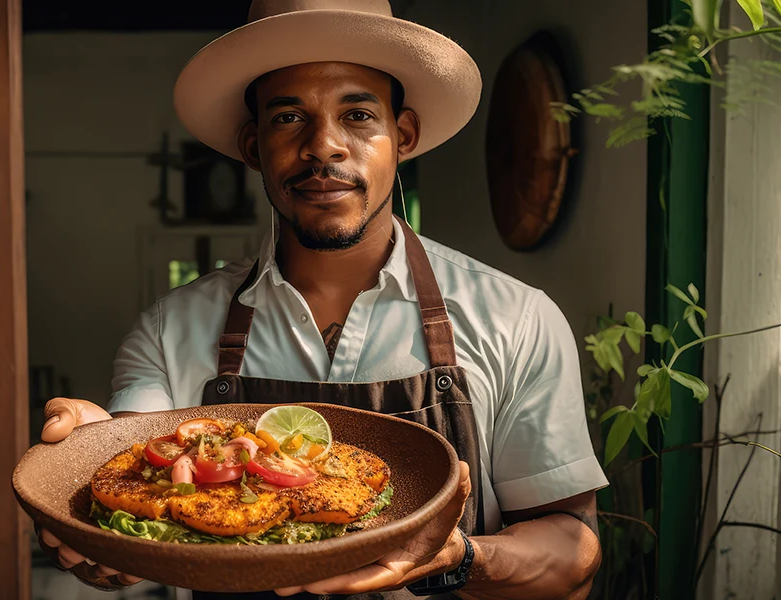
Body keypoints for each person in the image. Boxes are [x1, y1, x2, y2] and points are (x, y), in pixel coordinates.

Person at [36, 1, 608, 598]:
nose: (324, 146)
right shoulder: (168, 329)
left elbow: (574, 551)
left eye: (358, 114)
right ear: (254, 146)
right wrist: (90, 478)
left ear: (403, 136)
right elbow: (136, 454)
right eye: (289, 118)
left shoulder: (517, 319)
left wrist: (463, 557)